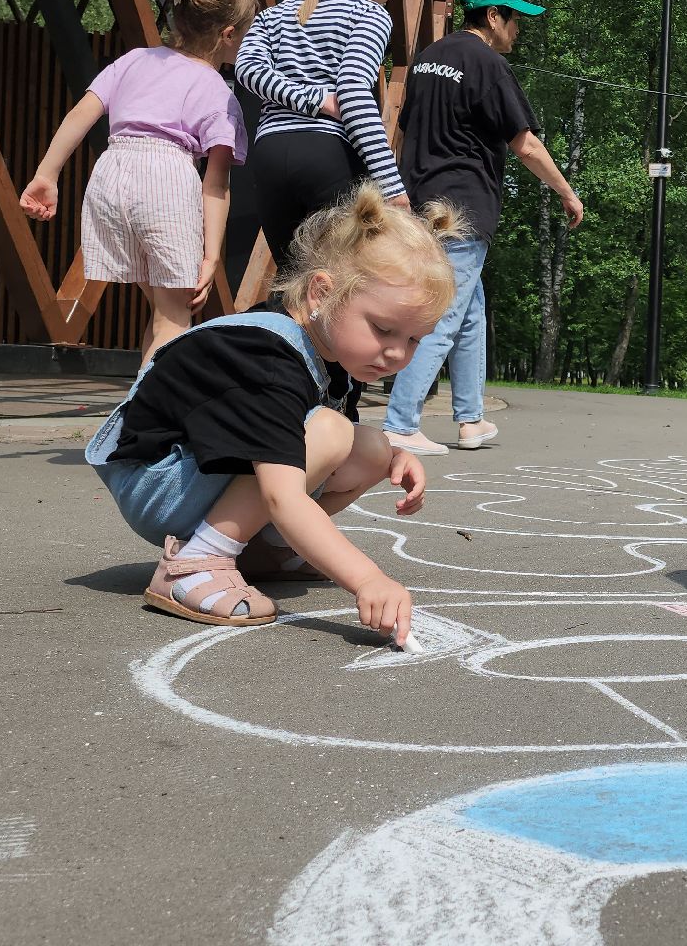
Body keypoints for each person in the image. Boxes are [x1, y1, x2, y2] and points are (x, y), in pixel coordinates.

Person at [83, 184, 461, 647]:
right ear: (323, 291)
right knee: (331, 431)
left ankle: (264, 552)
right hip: (159, 481)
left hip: (197, 474)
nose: (396, 353)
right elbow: (284, 495)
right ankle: (197, 563)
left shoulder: (334, 348)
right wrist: (368, 579)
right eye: (383, 329)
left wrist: (392, 456)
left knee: (371, 447)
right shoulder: (267, 355)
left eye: (414, 340)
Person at [382, 0, 584, 456]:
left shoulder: (429, 60)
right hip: (463, 206)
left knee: (470, 311)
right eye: (515, 19)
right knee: (445, 314)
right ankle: (401, 422)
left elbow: (405, 133)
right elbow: (526, 144)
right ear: (493, 16)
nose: (518, 29)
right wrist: (566, 193)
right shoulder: (487, 65)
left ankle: (471, 419)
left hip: (420, 202)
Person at [21, 0, 255, 363]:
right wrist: (211, 255)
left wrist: (47, 174)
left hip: (111, 176)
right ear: (228, 35)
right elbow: (215, 185)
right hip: (166, 180)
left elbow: (82, 113)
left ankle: (140, 404)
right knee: (175, 320)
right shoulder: (218, 91)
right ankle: (144, 419)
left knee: (165, 310)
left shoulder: (134, 60)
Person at [235, 0, 425, 273]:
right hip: (329, 154)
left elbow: (246, 69)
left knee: (293, 283)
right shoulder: (370, 15)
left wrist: (308, 98)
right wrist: (393, 188)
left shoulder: (276, 12)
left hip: (270, 154)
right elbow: (353, 92)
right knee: (340, 285)